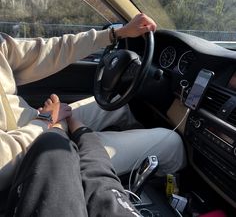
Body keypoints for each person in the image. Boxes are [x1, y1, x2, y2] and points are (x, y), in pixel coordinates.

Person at [0, 13, 186, 195]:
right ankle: (162, 196)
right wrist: (45, 121)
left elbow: (47, 51)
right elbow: (4, 161)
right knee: (171, 142)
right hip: (32, 159)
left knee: (119, 103)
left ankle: (128, 165)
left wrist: (115, 34)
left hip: (34, 127)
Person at [5, 94, 142, 217]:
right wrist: (53, 123)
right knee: (163, 138)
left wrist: (56, 124)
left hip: (38, 131)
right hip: (30, 140)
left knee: (118, 103)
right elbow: (101, 183)